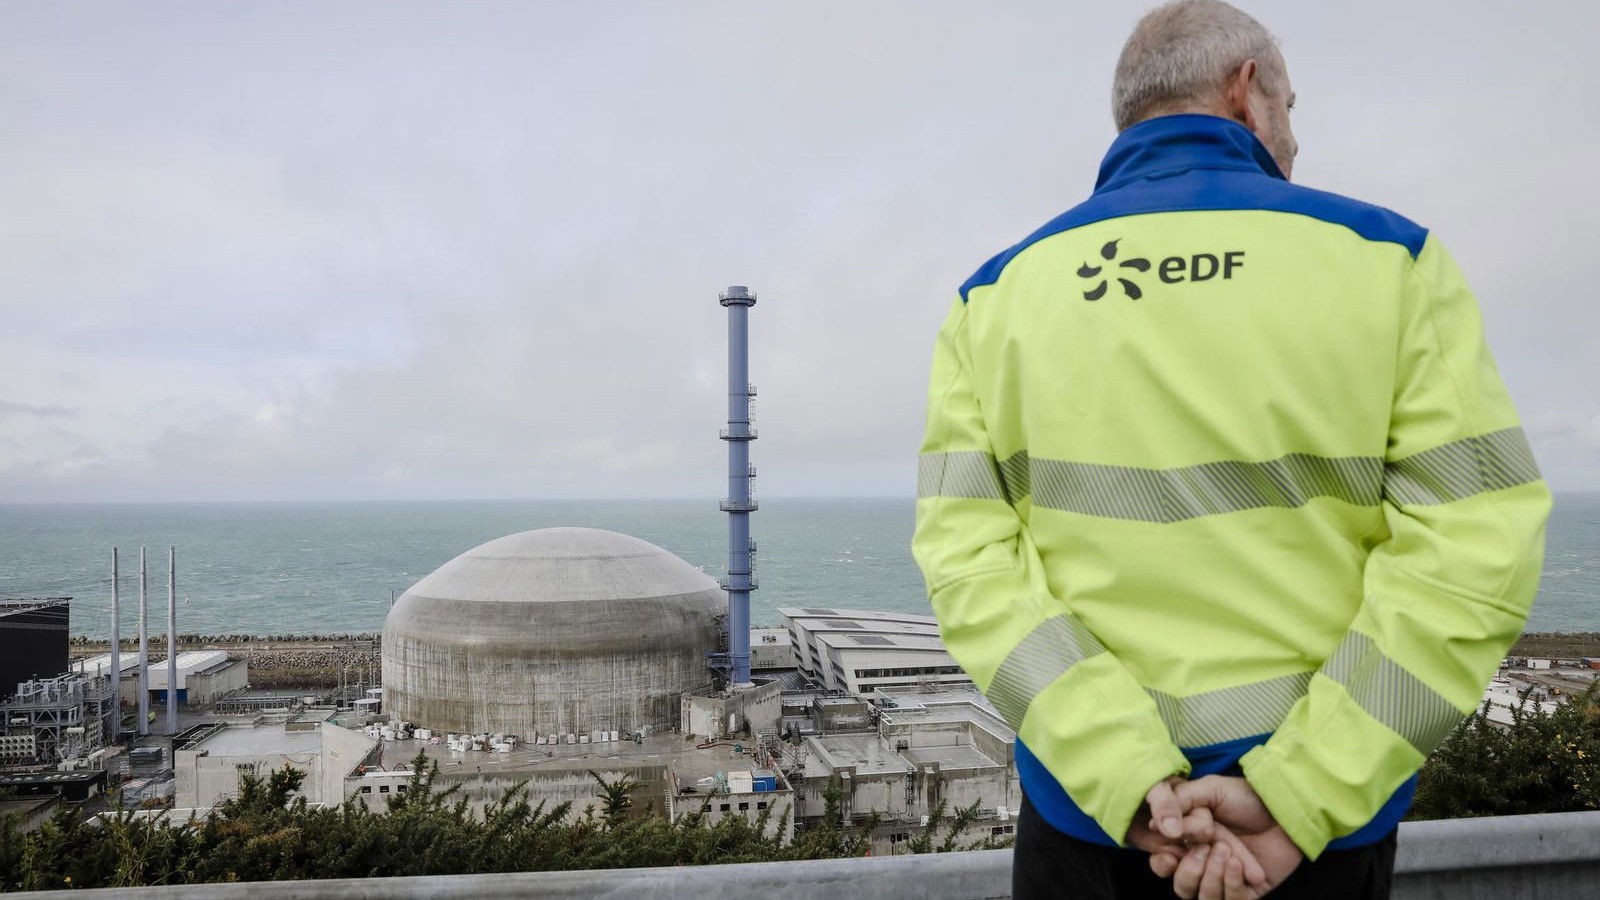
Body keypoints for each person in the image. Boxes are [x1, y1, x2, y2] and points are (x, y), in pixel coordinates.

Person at [909, 2, 1553, 898]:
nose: (1295, 137)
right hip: (1314, 841)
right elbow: (1475, 553)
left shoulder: (997, 295)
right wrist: (1301, 795)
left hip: (1095, 826)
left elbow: (967, 564)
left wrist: (1129, 779)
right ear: (1249, 94)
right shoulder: (1389, 260)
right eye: (1294, 108)